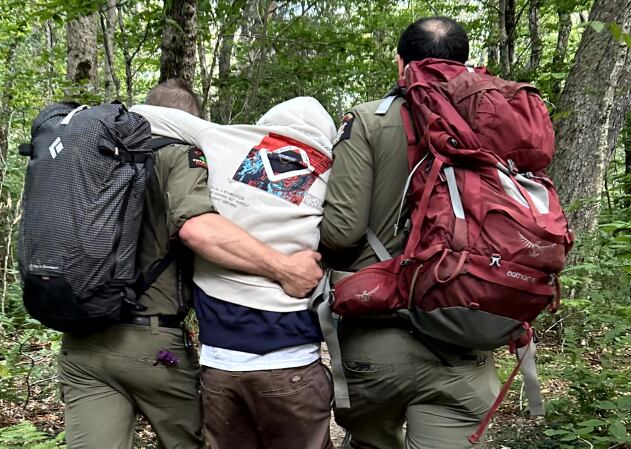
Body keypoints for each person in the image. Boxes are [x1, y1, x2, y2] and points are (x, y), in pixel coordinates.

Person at [58, 80, 324, 449]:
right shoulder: (176, 153)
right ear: (188, 120)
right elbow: (198, 230)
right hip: (151, 343)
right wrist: (283, 267)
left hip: (80, 343)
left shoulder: (91, 157)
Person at [320, 17, 500, 449]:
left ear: (401, 64)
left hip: (379, 338)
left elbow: (342, 232)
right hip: (467, 334)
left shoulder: (368, 120)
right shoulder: (496, 122)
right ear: (464, 63)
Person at [132, 96, 336, 449]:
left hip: (220, 360)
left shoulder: (220, 139)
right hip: (293, 362)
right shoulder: (333, 170)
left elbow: (140, 115)